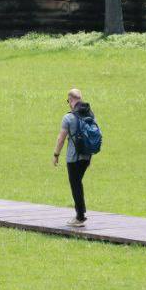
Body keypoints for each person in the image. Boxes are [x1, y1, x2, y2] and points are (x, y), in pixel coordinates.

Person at [53, 88, 96, 228]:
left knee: (75, 185)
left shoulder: (68, 117)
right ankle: (80, 213)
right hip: (87, 157)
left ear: (71, 100)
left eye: (68, 101)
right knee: (78, 184)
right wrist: (90, 157)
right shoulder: (90, 113)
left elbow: (61, 138)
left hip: (73, 158)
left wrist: (56, 155)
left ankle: (80, 217)